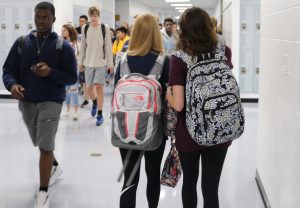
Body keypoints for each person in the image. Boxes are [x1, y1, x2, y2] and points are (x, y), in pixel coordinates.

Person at [2, 2, 77, 208]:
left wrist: (50, 73)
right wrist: (13, 85)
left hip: (52, 100)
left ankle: (43, 193)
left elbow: (72, 77)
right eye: (38, 17)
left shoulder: (63, 47)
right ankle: (54, 166)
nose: (41, 21)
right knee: (40, 142)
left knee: (45, 145)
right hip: (27, 102)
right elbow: (8, 70)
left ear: (53, 19)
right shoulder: (22, 42)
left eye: (45, 17)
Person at [166, 7, 232, 208]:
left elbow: (178, 104)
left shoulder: (179, 58)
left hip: (189, 132)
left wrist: (166, 93)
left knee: (190, 183)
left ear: (183, 30)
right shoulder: (224, 52)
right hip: (220, 127)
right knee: (211, 188)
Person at [114, 13, 169, 208]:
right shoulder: (163, 62)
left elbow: (115, 94)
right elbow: (167, 100)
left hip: (125, 128)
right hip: (154, 129)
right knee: (153, 175)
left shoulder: (123, 61)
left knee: (130, 178)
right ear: (156, 33)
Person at [78, 6, 114, 126]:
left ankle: (100, 113)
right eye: (91, 16)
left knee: (99, 87)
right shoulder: (85, 28)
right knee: (88, 88)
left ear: (98, 16)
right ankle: (94, 102)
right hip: (88, 62)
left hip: (101, 63)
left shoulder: (105, 28)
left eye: (95, 16)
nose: (93, 18)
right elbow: (83, 46)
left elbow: (108, 47)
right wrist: (80, 62)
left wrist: (110, 64)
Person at [62, 24, 80, 120]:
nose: (63, 32)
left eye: (65, 30)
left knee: (74, 90)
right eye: (62, 30)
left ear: (69, 31)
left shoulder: (76, 43)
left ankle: (76, 111)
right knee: (66, 90)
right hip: (64, 70)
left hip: (74, 69)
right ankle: (68, 109)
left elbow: (78, 56)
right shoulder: (61, 42)